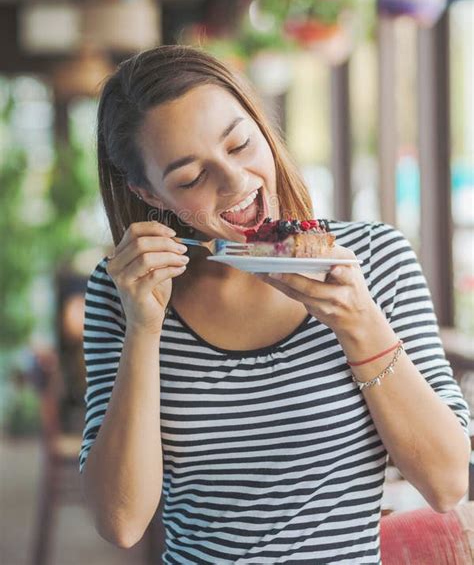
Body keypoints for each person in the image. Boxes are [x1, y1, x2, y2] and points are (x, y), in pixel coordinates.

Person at [79, 45, 470, 564]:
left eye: (239, 144)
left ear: (262, 126)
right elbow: (121, 522)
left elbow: (447, 485)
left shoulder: (375, 258)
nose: (235, 181)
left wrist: (359, 323)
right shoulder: (123, 292)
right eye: (190, 177)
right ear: (150, 196)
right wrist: (144, 328)